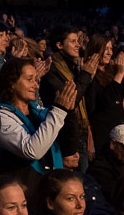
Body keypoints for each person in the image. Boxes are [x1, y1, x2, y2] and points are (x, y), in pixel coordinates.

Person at [0, 56, 76, 199]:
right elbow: (32, 150)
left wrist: (69, 112)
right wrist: (59, 111)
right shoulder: (1, 116)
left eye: (36, 80)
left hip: (49, 191)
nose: (36, 85)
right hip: (23, 195)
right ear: (12, 83)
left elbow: (67, 144)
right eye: (29, 79)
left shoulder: (39, 112)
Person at [40, 26, 100, 173]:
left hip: (80, 131)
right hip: (63, 134)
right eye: (73, 41)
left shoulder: (73, 66)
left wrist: (88, 76)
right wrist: (85, 75)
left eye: (78, 41)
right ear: (59, 45)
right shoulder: (51, 69)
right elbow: (70, 101)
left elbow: (88, 102)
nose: (78, 45)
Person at [83, 34, 124, 157]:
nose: (109, 53)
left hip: (119, 127)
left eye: (111, 49)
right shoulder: (88, 73)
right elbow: (104, 101)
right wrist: (120, 74)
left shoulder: (112, 71)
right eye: (105, 49)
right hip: (103, 132)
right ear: (95, 50)